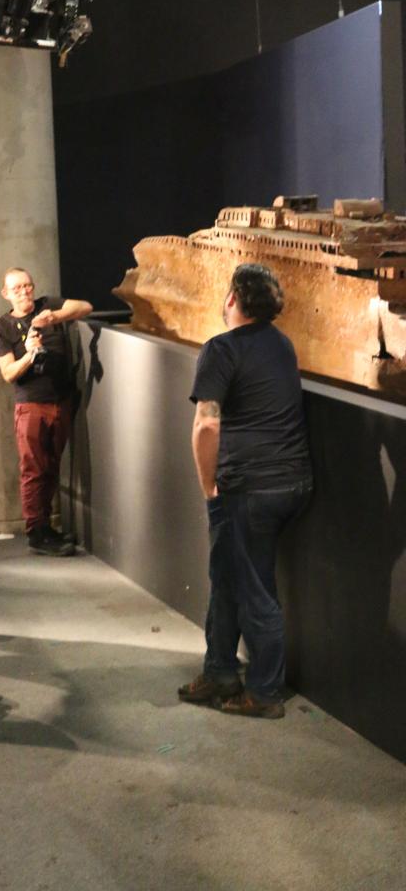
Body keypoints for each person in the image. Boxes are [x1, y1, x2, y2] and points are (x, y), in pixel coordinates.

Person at [179, 263, 313, 719]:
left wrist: (209, 487)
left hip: (249, 488)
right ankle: (219, 670)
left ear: (233, 297)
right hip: (291, 481)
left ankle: (264, 692)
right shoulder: (282, 344)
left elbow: (207, 423)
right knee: (228, 576)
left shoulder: (221, 349)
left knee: (254, 589)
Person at [0, 267, 92, 556]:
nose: (24, 291)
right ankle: (36, 532)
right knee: (34, 470)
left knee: (50, 469)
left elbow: (85, 307)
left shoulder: (48, 306)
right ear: (6, 294)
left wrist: (54, 317)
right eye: (17, 288)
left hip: (60, 402)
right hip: (31, 406)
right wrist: (29, 354)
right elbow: (8, 373)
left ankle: (47, 528)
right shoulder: (4, 327)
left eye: (28, 285)